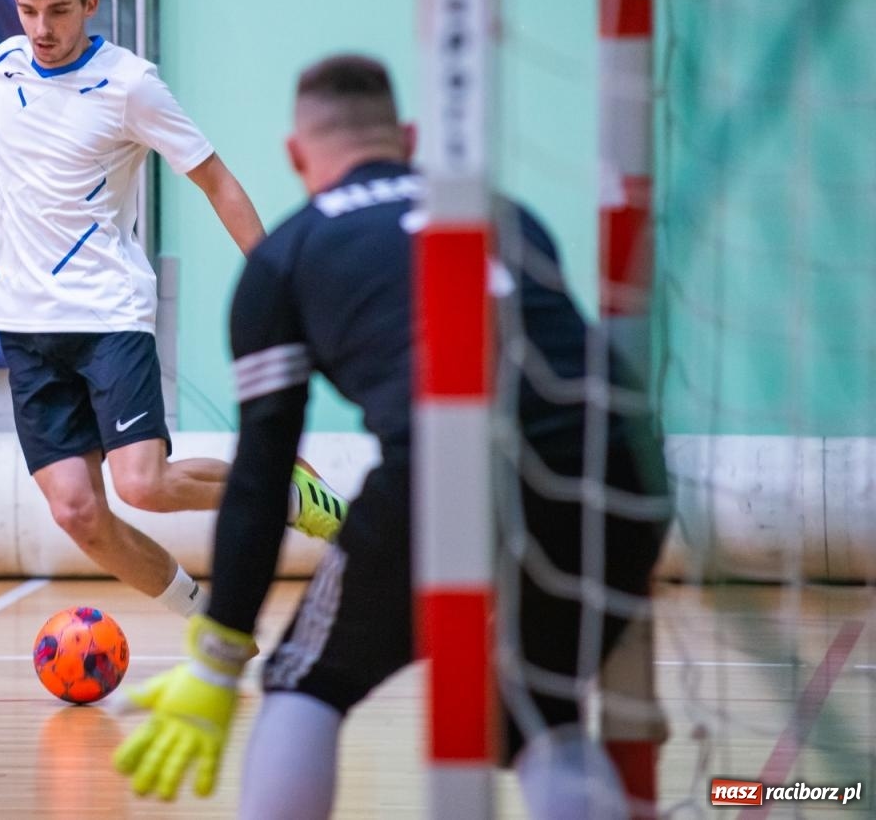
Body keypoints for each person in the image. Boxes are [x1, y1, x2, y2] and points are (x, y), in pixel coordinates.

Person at [114, 54, 669, 818]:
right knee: (541, 709)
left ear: (296, 156)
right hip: (622, 462)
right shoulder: (504, 213)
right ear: (407, 139)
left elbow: (263, 475)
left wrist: (219, 656)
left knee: (305, 681)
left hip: (451, 463)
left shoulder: (286, 257)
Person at [0, 0, 345, 618]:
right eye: (29, 10)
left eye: (59, 11)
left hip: (107, 314)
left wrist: (275, 274)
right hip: (23, 320)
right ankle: (207, 624)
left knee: (144, 486)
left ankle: (284, 491)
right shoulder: (7, 61)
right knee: (77, 513)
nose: (42, 29)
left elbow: (217, 181)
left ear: (91, 4)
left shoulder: (131, 85)